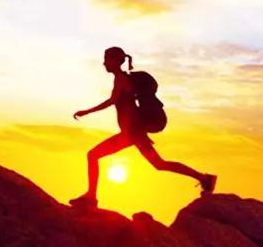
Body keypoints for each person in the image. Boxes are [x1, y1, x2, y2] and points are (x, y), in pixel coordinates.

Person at [69, 47, 217, 208]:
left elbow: (112, 102)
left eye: (107, 59)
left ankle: (91, 197)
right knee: (160, 164)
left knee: (93, 155)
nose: (104, 63)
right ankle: (204, 178)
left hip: (131, 133)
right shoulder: (123, 78)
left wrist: (86, 112)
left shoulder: (121, 79)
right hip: (134, 132)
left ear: (116, 61)